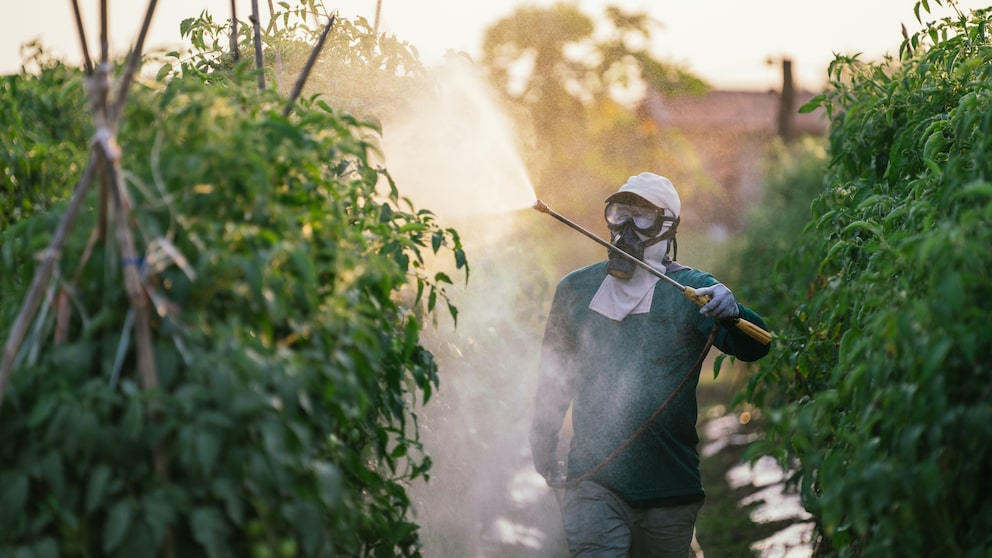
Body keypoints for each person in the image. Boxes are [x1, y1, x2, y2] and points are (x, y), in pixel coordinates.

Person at [529, 172, 770, 558]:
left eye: (641, 217)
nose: (626, 227)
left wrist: (732, 309)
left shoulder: (690, 292)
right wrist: (543, 445)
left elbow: (756, 347)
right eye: (619, 214)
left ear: (668, 226)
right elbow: (554, 377)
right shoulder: (575, 290)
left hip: (669, 488)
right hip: (593, 482)